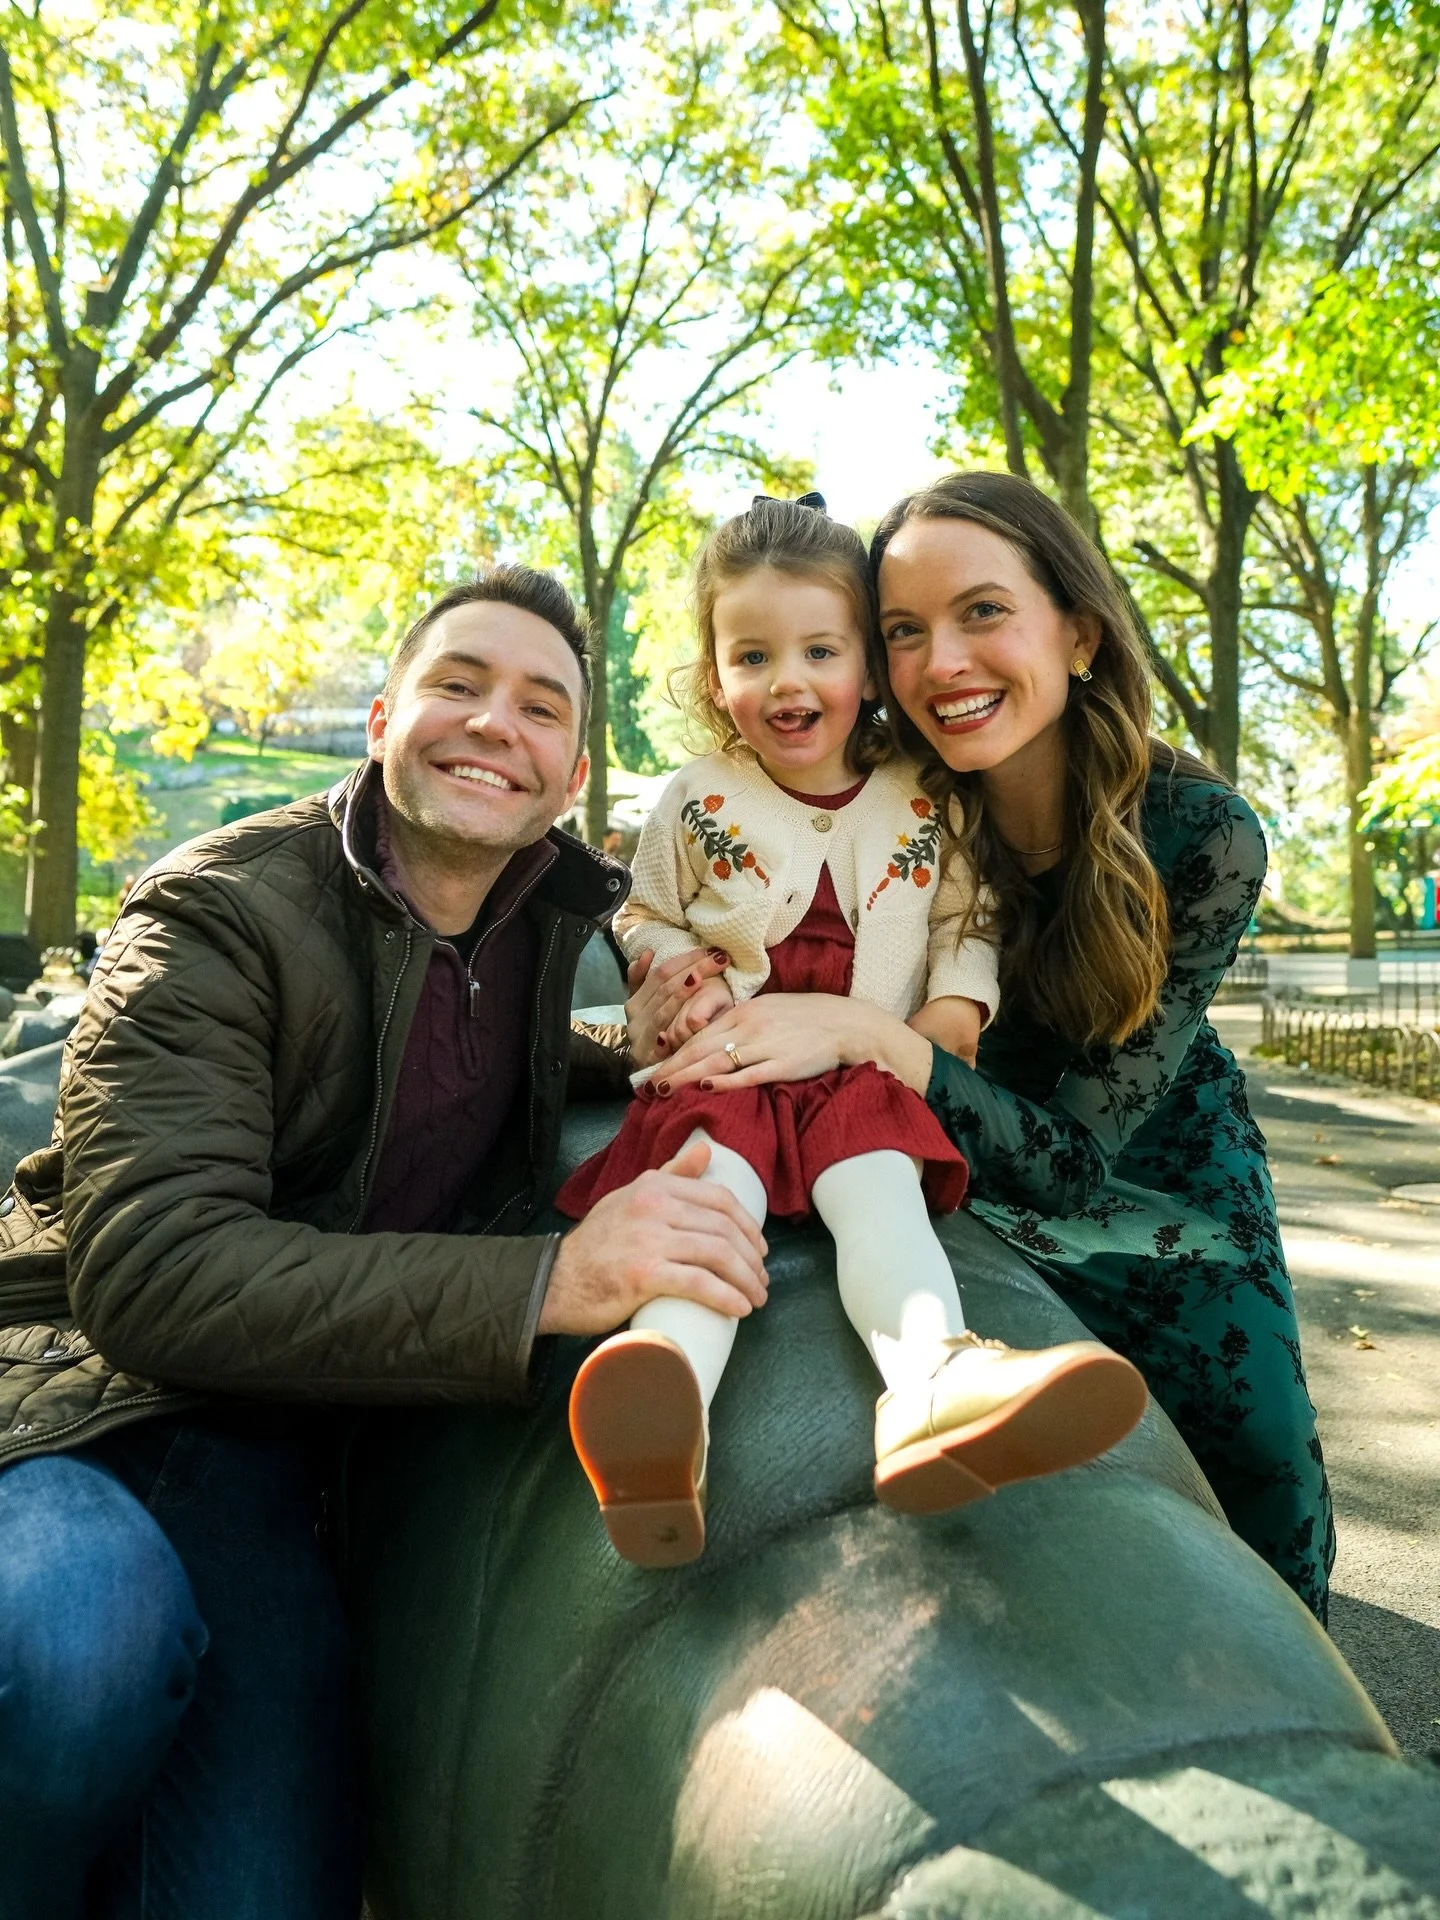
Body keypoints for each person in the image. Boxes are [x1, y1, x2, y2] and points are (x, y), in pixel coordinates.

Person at [0, 566, 767, 1919]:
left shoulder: (542, 925)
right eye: (458, 686)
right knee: (80, 1633)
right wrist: (555, 1279)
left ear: (571, 773)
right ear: (378, 719)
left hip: (279, 1454)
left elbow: (442, 1058)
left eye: (539, 708)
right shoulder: (213, 914)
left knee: (260, 1892)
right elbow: (154, 1273)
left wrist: (638, 1057)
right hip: (81, 1397)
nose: (493, 725)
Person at [648, 473, 1334, 1622]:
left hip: (1137, 1162)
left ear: (1076, 632)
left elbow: (1076, 1157)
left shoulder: (1203, 834)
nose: (942, 663)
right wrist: (669, 982)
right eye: (904, 632)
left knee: (1259, 1438)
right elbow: (718, 925)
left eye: (981, 614)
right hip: (928, 1143)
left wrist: (869, 1034)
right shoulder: (889, 800)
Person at [556, 495, 1146, 1569]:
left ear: (869, 669)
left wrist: (948, 1012)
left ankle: (930, 1376)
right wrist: (663, 962)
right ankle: (665, 1399)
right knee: (708, 1206)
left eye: (820, 650)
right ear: (715, 673)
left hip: (858, 1059)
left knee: (882, 1201)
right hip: (733, 1058)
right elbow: (638, 906)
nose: (788, 681)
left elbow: (968, 918)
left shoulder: (923, 796)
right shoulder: (697, 797)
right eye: (753, 655)